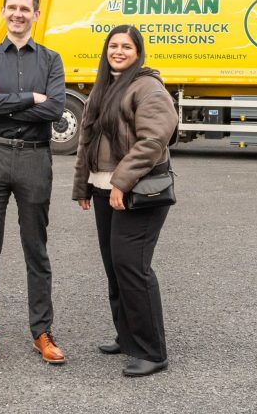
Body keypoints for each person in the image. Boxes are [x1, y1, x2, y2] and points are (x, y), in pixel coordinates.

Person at [0, 0, 67, 368]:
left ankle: (41, 331)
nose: (18, 14)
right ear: (4, 11)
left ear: (36, 15)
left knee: (36, 250)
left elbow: (56, 110)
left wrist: (4, 103)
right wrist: (31, 98)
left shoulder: (51, 60)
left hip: (34, 159)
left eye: (25, 8)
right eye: (12, 8)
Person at [72, 25, 178, 377]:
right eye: (113, 45)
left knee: (133, 267)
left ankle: (152, 351)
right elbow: (86, 139)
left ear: (138, 52)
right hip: (105, 188)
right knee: (115, 267)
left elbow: (154, 140)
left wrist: (120, 183)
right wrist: (83, 187)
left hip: (139, 191)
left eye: (126, 46)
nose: (118, 51)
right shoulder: (103, 86)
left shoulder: (148, 87)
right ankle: (128, 336)